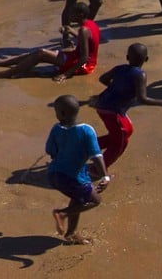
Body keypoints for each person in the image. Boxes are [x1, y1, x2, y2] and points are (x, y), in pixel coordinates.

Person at [93, 43, 162, 168]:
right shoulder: (140, 75)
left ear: (127, 57)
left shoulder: (119, 68)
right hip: (113, 111)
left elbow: (102, 79)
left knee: (127, 130)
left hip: (102, 105)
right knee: (119, 143)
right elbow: (142, 98)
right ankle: (97, 169)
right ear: (146, 59)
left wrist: (115, 87)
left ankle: (87, 146)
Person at [46, 94, 110, 245]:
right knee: (95, 200)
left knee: (77, 199)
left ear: (61, 114)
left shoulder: (56, 129)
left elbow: (50, 150)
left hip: (54, 175)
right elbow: (96, 156)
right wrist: (105, 177)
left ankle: (71, 234)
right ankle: (62, 214)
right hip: (73, 177)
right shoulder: (86, 130)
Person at [0, 2, 99, 81]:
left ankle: (6, 74)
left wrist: (65, 74)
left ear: (80, 15)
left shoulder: (83, 30)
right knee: (38, 52)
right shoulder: (90, 24)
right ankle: (3, 63)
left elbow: (84, 58)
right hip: (78, 57)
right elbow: (88, 41)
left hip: (84, 65)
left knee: (41, 53)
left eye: (72, 13)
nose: (69, 15)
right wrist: (71, 31)